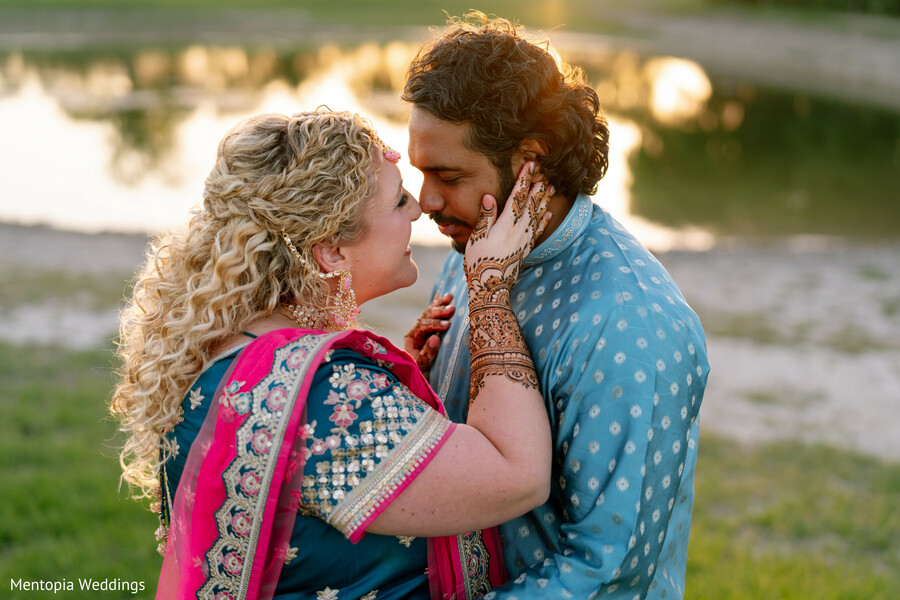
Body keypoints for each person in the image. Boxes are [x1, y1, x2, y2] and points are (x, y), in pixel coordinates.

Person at [110, 108, 557, 599]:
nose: (419, 209)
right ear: (332, 252)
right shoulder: (328, 395)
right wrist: (491, 289)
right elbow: (517, 476)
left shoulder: (226, 345)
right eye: (398, 201)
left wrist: (393, 393)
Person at [402, 14, 710, 600]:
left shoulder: (626, 323)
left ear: (530, 163)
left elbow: (607, 569)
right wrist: (410, 378)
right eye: (422, 174)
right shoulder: (478, 246)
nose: (427, 202)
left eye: (447, 175)